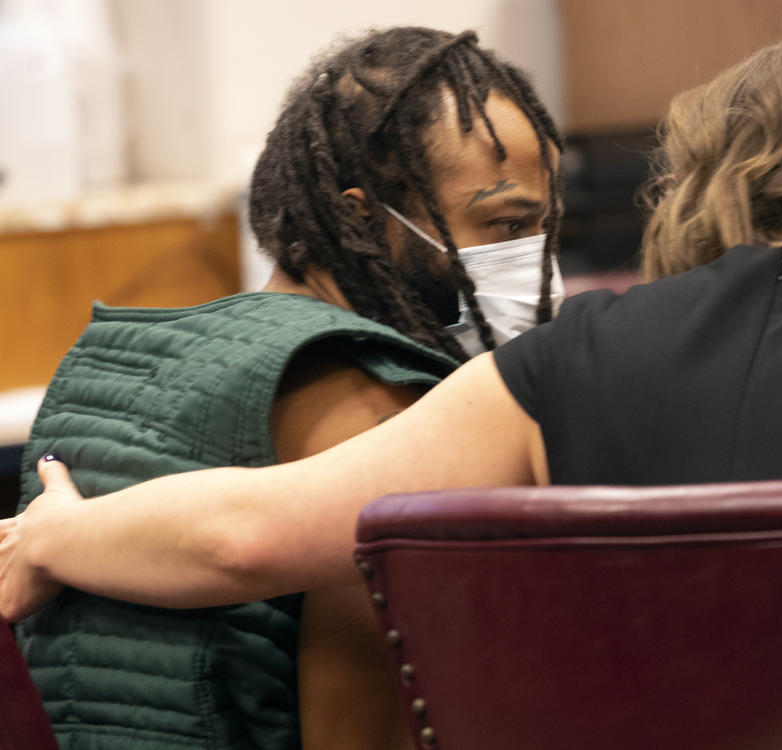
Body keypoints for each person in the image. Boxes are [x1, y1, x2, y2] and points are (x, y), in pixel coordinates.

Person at [3, 29, 782, 739]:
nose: (533, 258)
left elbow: (245, 535)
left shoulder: (570, 358)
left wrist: (58, 530)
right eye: (506, 222)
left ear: (701, 180)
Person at [9, 26, 563, 750]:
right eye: (504, 224)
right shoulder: (373, 402)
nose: (534, 261)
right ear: (364, 217)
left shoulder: (115, 362)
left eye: (542, 228)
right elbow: (366, 733)